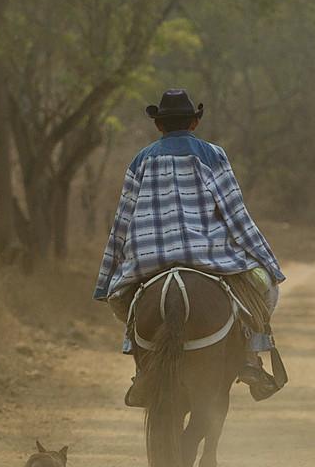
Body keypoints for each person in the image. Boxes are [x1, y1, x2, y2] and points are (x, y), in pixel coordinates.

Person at [95, 89, 286, 406]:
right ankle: (251, 360)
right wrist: (268, 263)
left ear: (159, 126)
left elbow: (122, 221)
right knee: (266, 289)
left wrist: (107, 280)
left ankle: (142, 368)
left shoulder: (140, 160)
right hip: (209, 257)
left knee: (123, 302)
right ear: (195, 122)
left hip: (149, 261)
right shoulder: (212, 155)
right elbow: (235, 213)